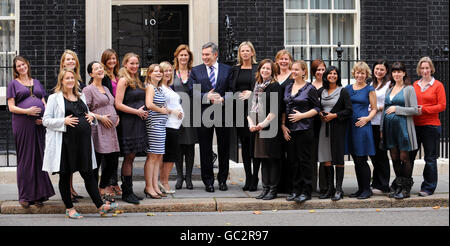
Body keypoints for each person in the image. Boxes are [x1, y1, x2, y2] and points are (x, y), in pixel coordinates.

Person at [42, 68, 118, 219]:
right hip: (65, 143)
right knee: (65, 175)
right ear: (61, 81)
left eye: (72, 78)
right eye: (67, 78)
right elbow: (46, 120)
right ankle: (69, 208)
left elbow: (86, 113)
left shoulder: (80, 95)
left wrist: (91, 118)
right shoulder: (54, 98)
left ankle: (100, 206)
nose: (70, 80)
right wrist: (64, 121)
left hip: (83, 143)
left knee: (89, 174)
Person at [7, 56, 55, 208]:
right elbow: (11, 107)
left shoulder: (37, 82)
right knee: (26, 158)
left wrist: (46, 117)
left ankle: (38, 195)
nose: (21, 67)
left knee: (38, 157)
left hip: (38, 124)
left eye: (23, 64)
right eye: (18, 66)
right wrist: (27, 111)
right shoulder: (13, 84)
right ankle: (25, 196)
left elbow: (43, 102)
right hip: (22, 123)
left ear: (27, 65)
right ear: (16, 69)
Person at [188, 42, 233, 192]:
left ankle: (222, 180)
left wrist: (223, 99)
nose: (204, 57)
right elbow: (192, 92)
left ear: (215, 54)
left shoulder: (228, 70)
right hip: (203, 114)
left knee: (224, 148)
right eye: (203, 55)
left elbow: (232, 90)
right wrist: (207, 96)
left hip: (223, 113)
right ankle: (208, 181)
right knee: (205, 149)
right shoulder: (196, 71)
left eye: (207, 54)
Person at [282, 60, 320, 203]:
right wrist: (283, 126)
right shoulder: (288, 87)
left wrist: (301, 116)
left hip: (304, 129)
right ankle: (295, 190)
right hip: (290, 130)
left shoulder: (310, 88)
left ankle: (306, 191)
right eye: (293, 69)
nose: (294, 72)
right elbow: (285, 108)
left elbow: (317, 109)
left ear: (304, 72)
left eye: (297, 69)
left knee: (304, 161)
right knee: (292, 161)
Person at [380, 61, 419, 199]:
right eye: (394, 71)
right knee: (395, 158)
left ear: (404, 73)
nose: (396, 74)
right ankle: (398, 186)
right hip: (390, 130)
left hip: (403, 129)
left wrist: (397, 109)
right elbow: (385, 110)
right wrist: (381, 129)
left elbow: (416, 110)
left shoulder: (409, 89)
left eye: (399, 71)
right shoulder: (389, 89)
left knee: (405, 158)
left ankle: (405, 189)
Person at [82, 61, 120, 201]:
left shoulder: (106, 87)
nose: (100, 70)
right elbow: (85, 110)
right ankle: (95, 192)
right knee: (96, 161)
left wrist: (117, 116)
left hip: (110, 129)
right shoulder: (88, 89)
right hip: (98, 128)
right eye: (96, 68)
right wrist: (101, 117)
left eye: (101, 68)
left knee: (112, 159)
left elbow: (111, 104)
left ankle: (102, 186)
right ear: (91, 74)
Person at [410, 57, 446, 197]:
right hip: (415, 125)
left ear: (431, 69)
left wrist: (423, 109)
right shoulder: (414, 85)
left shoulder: (438, 85)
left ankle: (428, 187)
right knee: (409, 157)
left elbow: (441, 106)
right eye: (422, 68)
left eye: (427, 68)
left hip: (431, 126)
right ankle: (406, 184)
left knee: (430, 159)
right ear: (419, 70)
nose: (425, 71)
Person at [115, 52, 148, 204]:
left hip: (138, 123)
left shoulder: (137, 80)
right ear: (125, 64)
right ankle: (127, 192)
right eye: (131, 63)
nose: (134, 66)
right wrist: (137, 112)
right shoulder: (123, 80)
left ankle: (130, 190)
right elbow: (118, 104)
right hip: (128, 123)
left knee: (133, 157)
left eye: (136, 63)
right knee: (128, 157)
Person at [249, 59, 283, 200]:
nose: (265, 71)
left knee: (271, 159)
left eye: (268, 69)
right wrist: (251, 124)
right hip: (257, 128)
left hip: (270, 127)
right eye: (263, 68)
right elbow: (249, 108)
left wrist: (262, 124)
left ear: (273, 71)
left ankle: (272, 190)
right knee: (263, 159)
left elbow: (275, 110)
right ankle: (264, 188)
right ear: (259, 70)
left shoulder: (275, 87)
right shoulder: (257, 86)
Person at [317, 66, 353, 201]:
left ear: (338, 76)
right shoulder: (321, 91)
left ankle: (339, 189)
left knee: (337, 157)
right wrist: (320, 113)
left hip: (337, 128)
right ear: (325, 76)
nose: (332, 75)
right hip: (323, 128)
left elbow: (349, 110)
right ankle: (329, 188)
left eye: (335, 73)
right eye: (330, 73)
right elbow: (316, 107)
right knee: (326, 157)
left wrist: (335, 115)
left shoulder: (343, 92)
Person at [345, 61, 377, 199]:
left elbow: (374, 108)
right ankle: (360, 189)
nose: (360, 75)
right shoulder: (347, 88)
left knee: (362, 159)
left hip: (362, 127)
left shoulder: (369, 89)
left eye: (362, 73)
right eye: (358, 72)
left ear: (366, 75)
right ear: (354, 73)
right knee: (355, 159)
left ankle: (366, 189)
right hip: (350, 126)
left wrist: (367, 119)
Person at [230, 41, 260, 191]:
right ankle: (248, 178)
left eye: (248, 51)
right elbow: (230, 88)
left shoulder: (257, 68)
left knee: (255, 146)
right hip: (239, 112)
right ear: (239, 53)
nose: (245, 53)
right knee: (245, 147)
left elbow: (265, 87)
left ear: (252, 53)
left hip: (255, 111)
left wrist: (252, 93)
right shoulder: (235, 70)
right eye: (243, 51)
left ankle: (255, 178)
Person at [59, 49, 85, 202]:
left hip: (77, 129)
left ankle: (72, 188)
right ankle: (67, 191)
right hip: (66, 127)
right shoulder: (63, 78)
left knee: (72, 161)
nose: (70, 62)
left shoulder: (78, 80)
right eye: (67, 59)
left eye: (73, 60)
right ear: (63, 62)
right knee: (66, 163)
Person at [172, 44, 197, 190]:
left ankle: (189, 178)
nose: (183, 57)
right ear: (177, 57)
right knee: (178, 146)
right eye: (181, 55)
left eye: (186, 55)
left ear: (189, 57)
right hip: (176, 114)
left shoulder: (194, 73)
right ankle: (179, 176)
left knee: (190, 146)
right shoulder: (172, 73)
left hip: (192, 113)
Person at [143, 64, 170, 199]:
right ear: (149, 74)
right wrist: (162, 110)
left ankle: (154, 185)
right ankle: (149, 187)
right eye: (155, 71)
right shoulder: (150, 87)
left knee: (158, 156)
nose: (159, 73)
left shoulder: (159, 88)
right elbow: (149, 105)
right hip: (153, 125)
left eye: (160, 71)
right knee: (152, 157)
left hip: (161, 125)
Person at [159, 61, 184, 194]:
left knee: (170, 155)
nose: (168, 73)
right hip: (167, 125)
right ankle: (164, 182)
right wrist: (173, 112)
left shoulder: (168, 87)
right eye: (165, 71)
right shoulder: (159, 88)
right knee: (168, 156)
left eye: (170, 70)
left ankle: (163, 181)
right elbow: (156, 105)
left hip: (174, 126)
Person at [100, 48, 122, 196]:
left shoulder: (118, 75)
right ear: (104, 61)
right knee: (107, 154)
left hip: (119, 117)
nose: (112, 61)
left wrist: (119, 115)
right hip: (107, 118)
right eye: (109, 59)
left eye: (114, 58)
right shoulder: (103, 77)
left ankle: (114, 182)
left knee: (116, 152)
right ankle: (106, 183)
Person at [369, 60, 391, 194]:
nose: (379, 71)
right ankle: (375, 182)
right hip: (370, 123)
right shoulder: (371, 84)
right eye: (377, 69)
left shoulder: (389, 85)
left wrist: (378, 108)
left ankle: (383, 184)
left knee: (381, 155)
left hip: (381, 124)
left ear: (386, 71)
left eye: (382, 69)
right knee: (374, 155)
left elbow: (390, 103)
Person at [274, 49, 294, 194]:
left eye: (286, 59)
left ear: (290, 61)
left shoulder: (293, 77)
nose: (283, 61)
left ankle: (289, 185)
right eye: (281, 59)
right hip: (272, 117)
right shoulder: (273, 76)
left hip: (288, 118)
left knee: (289, 152)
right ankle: (277, 184)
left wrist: (284, 123)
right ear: (277, 61)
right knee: (276, 152)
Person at [310, 59, 327, 195]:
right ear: (313, 72)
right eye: (318, 70)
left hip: (325, 123)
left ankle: (324, 186)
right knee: (311, 155)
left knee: (324, 155)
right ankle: (311, 186)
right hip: (311, 124)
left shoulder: (329, 86)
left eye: (323, 69)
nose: (320, 72)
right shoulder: (309, 86)